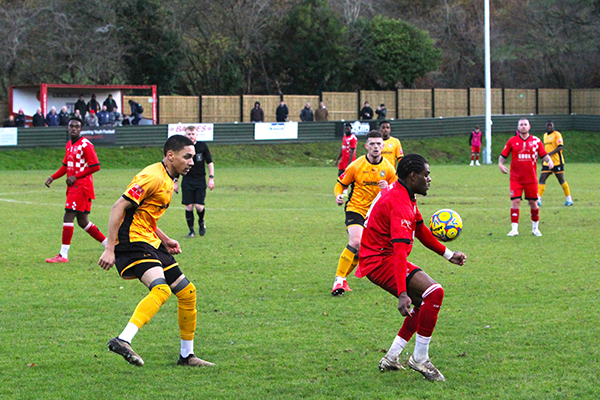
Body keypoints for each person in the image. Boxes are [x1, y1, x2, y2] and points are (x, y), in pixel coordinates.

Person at [98, 134, 214, 368]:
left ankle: (187, 356)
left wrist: (165, 239)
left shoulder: (169, 178)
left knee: (187, 292)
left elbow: (145, 214)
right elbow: (118, 207)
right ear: (170, 156)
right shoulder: (151, 177)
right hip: (131, 241)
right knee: (161, 289)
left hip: (149, 239)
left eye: (193, 157)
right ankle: (123, 339)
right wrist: (110, 248)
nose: (192, 162)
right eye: (187, 157)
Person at [357, 154, 467, 382]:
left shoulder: (404, 193)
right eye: (426, 175)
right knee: (434, 293)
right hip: (379, 261)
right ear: (413, 176)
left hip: (379, 256)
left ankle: (392, 357)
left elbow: (420, 229)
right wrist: (402, 293)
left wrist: (448, 255)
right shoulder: (399, 204)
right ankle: (420, 359)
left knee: (424, 301)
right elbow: (399, 253)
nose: (429, 179)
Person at [332, 130, 397, 295]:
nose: (375, 147)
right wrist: (338, 195)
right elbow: (340, 184)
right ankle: (338, 281)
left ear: (383, 146)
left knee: (364, 249)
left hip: (376, 214)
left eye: (378, 144)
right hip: (356, 208)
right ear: (366, 146)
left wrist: (388, 188)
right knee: (356, 241)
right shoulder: (356, 165)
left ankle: (343, 278)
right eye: (372, 144)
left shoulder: (388, 168)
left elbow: (397, 192)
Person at [44, 116, 107, 263]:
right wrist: (52, 177)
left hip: (82, 186)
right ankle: (109, 245)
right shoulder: (69, 145)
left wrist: (75, 176)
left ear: (81, 129)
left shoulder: (86, 145)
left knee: (68, 216)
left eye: (76, 127)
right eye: (71, 126)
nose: (73, 129)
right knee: (83, 221)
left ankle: (63, 255)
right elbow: (65, 166)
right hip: (74, 187)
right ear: (68, 128)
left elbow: (95, 166)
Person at [499, 118, 553, 237]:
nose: (523, 126)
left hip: (531, 179)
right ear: (518, 127)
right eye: (521, 124)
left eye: (525, 124)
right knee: (515, 201)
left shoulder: (536, 141)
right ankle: (514, 229)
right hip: (516, 178)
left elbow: (543, 154)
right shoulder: (512, 141)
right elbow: (503, 155)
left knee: (533, 203)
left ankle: (535, 229)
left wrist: (549, 161)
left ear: (529, 126)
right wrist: (500, 164)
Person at [175, 126, 215, 238]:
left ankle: (201, 221)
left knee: (199, 206)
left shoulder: (202, 146)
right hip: (187, 180)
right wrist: (175, 181)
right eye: (189, 134)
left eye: (193, 134)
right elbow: (178, 164)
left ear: (196, 135)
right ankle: (191, 231)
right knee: (188, 206)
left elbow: (210, 162)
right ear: (185, 135)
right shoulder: (182, 149)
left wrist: (211, 178)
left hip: (200, 179)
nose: (191, 136)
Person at [538, 121, 573, 207]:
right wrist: (544, 158)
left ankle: (569, 199)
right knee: (542, 179)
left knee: (561, 180)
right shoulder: (545, 135)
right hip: (547, 162)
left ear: (553, 126)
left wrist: (549, 154)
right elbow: (545, 149)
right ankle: (538, 199)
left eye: (551, 125)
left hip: (557, 162)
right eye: (548, 125)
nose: (549, 127)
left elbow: (560, 147)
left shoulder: (557, 134)